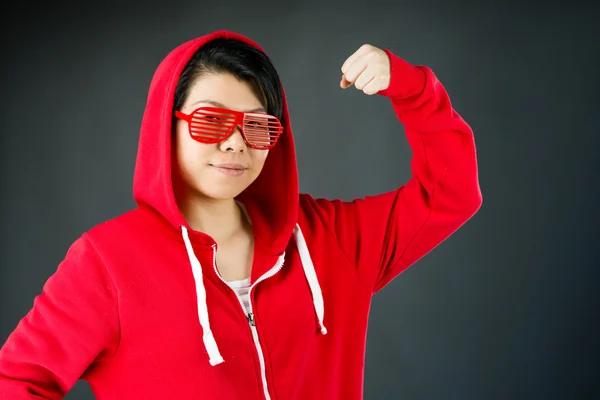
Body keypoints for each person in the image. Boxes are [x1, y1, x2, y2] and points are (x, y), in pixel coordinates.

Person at [0, 30, 482, 399]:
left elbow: (451, 194)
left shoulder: (331, 238)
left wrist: (413, 89)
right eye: (211, 119)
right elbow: (16, 381)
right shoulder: (105, 262)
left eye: (257, 126)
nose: (234, 141)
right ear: (166, 125)